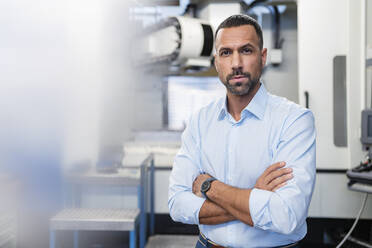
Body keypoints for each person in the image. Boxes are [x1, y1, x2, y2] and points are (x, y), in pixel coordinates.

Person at [168, 14, 316, 248]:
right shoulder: (199, 122)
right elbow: (177, 205)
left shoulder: (294, 120)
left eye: (246, 50)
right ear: (217, 61)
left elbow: (287, 215)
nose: (236, 63)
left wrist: (210, 187)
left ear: (262, 56)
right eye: (226, 53)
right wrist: (254, 196)